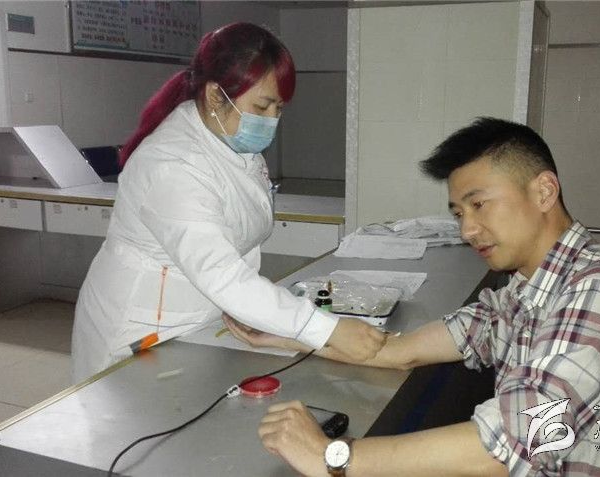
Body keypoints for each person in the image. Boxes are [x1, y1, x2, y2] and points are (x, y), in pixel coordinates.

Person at [226, 118, 600, 476]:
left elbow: (512, 446)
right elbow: (400, 352)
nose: (467, 230)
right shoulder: (525, 289)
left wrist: (333, 457)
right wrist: (288, 334)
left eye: (479, 205)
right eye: (459, 213)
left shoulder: (596, 291)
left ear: (544, 191)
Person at [71, 23, 385, 382]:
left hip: (200, 319)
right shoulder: (171, 166)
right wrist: (326, 329)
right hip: (141, 332)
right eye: (262, 107)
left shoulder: (234, 147)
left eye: (279, 109)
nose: (272, 121)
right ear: (215, 95)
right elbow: (220, 272)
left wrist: (262, 311)